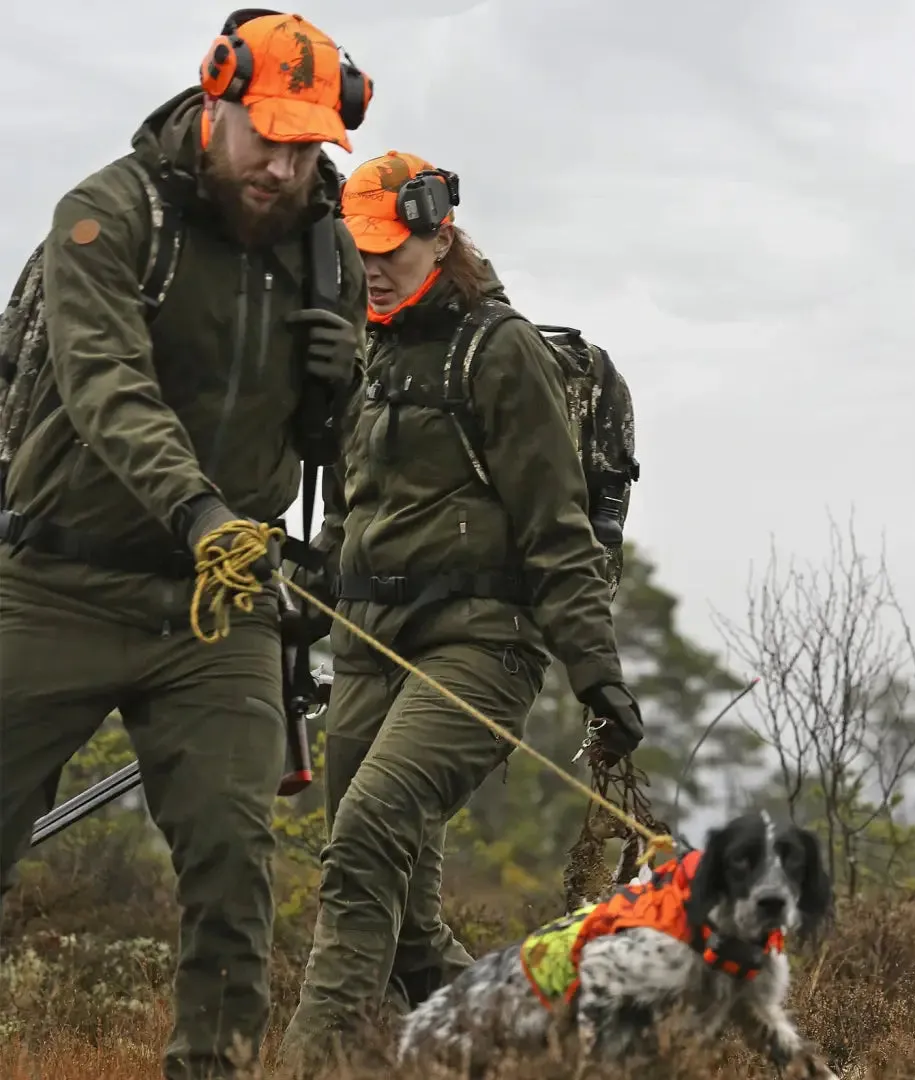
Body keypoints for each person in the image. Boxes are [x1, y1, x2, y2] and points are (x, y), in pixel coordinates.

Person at [0, 11, 371, 1079]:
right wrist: (200, 511)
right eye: (267, 138)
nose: (284, 166)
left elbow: (341, 454)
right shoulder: (108, 216)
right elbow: (106, 387)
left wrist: (343, 388)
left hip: (219, 615)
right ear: (214, 106)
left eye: (307, 146)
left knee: (232, 872)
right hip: (56, 584)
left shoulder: (326, 249)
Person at [274, 150, 645, 1074]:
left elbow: (558, 532)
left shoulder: (499, 349)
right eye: (360, 247)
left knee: (365, 840)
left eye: (392, 244)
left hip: (481, 645)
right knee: (397, 915)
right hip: (370, 649)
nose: (375, 263)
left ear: (440, 230)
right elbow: (355, 505)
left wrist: (597, 674)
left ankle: (310, 1066)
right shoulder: (363, 345)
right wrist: (311, 578)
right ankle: (529, 1049)